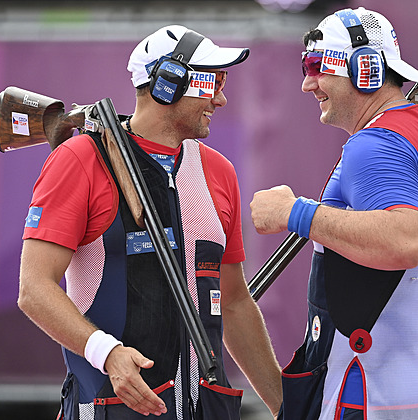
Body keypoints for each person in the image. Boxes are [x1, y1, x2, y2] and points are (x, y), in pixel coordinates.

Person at [18, 25, 282, 420]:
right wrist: (105, 352)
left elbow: (235, 302)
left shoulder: (219, 171)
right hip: (110, 407)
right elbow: (33, 288)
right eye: (214, 82)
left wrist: (288, 408)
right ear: (167, 84)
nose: (222, 98)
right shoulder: (81, 158)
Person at [250, 7, 418, 420]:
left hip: (382, 391)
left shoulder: (376, 142)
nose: (307, 83)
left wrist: (295, 213)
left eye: (317, 66)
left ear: (364, 69)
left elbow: (404, 242)